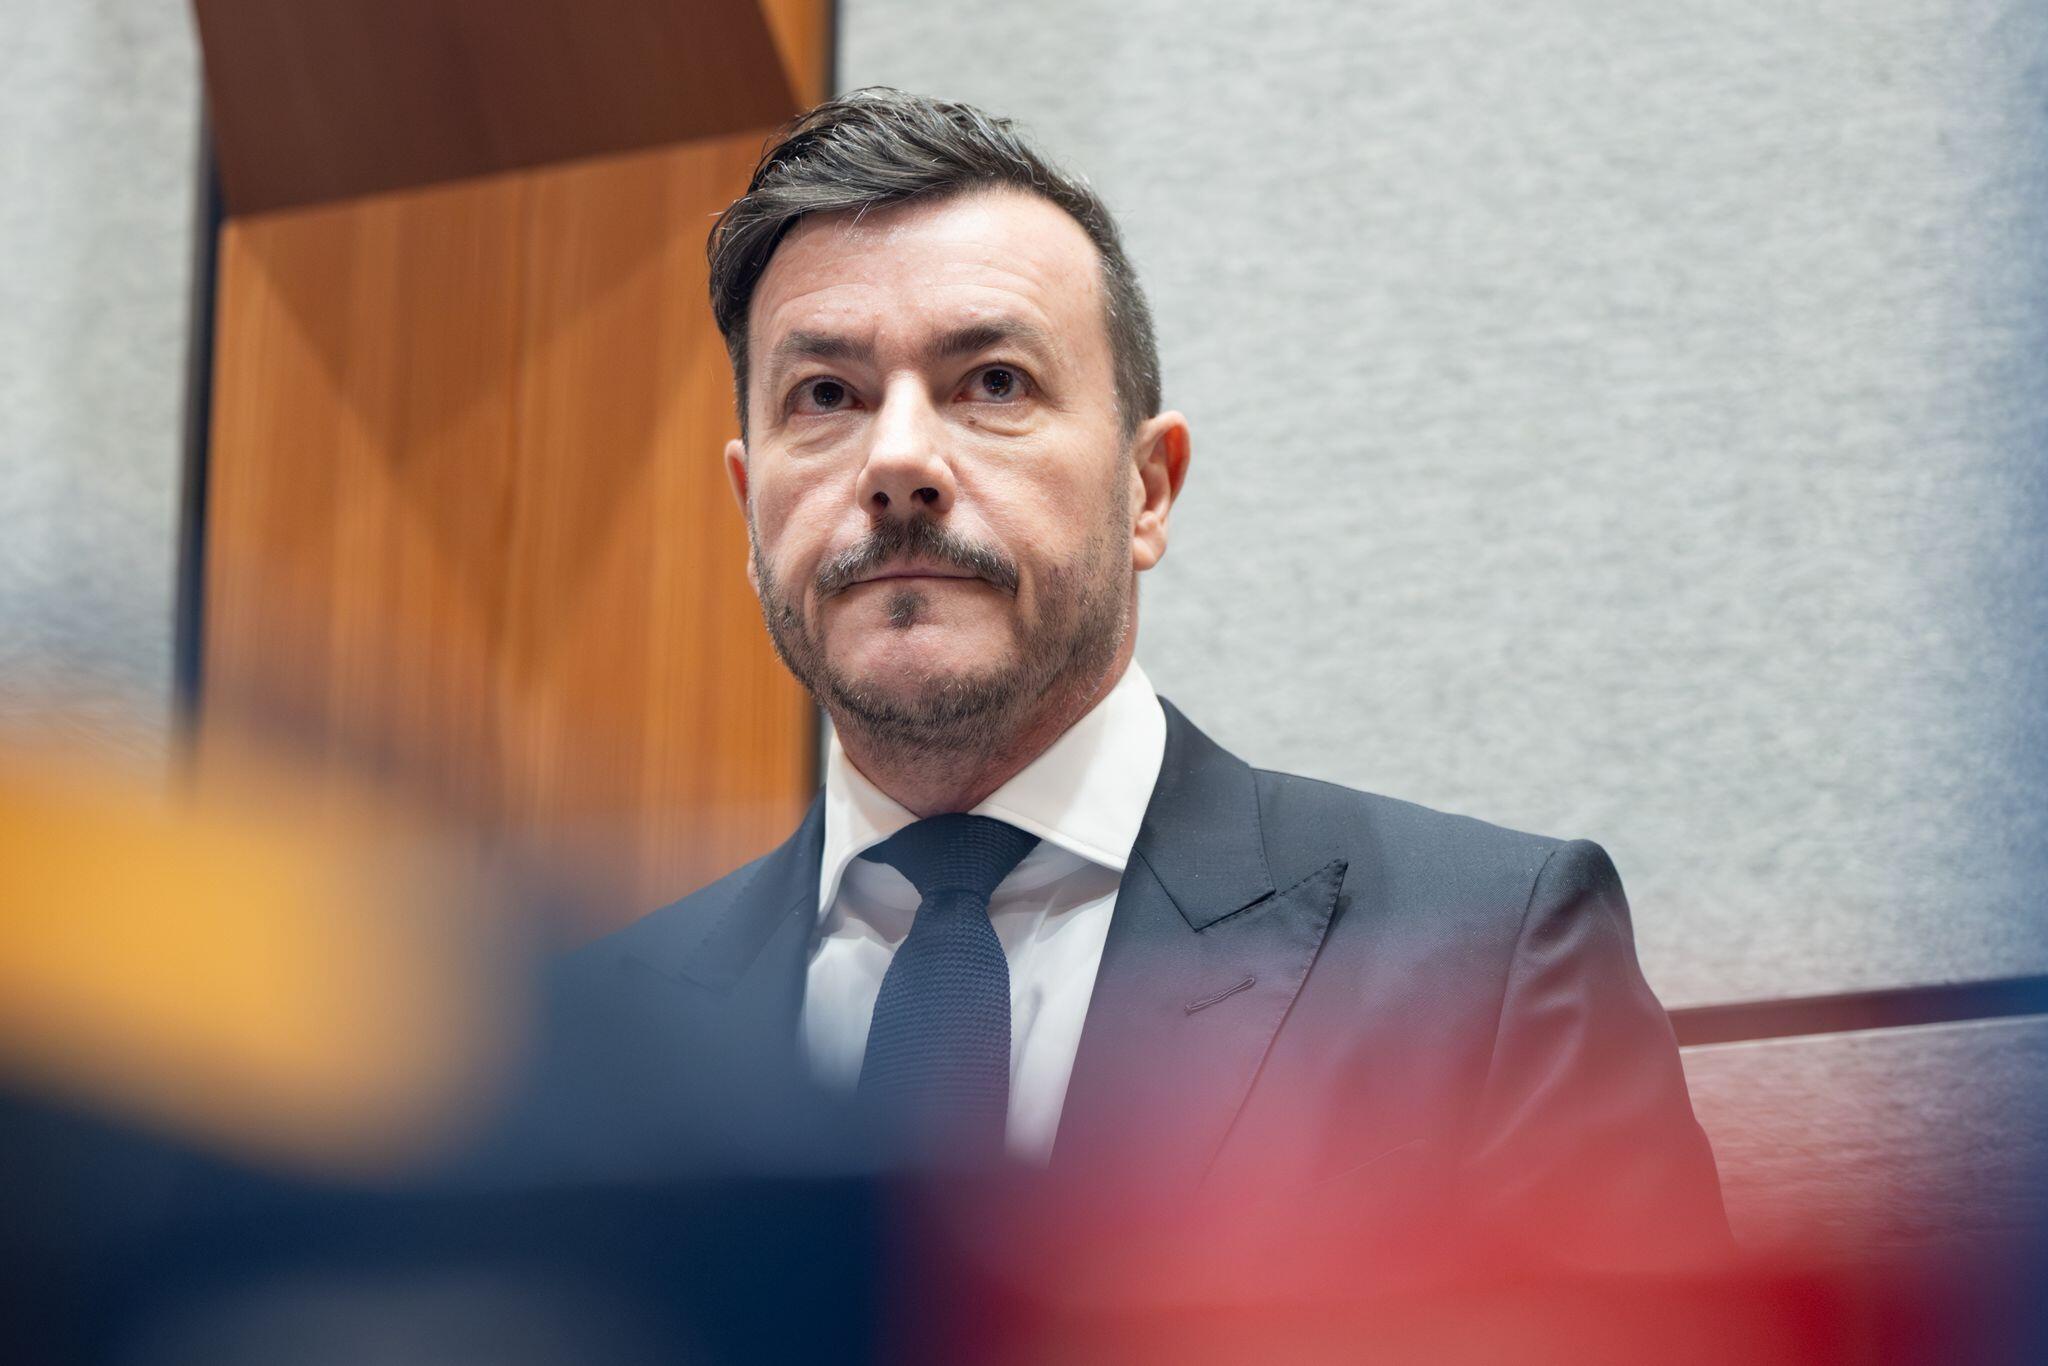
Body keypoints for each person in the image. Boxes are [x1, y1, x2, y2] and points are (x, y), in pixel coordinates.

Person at [549, 87, 1727, 1269]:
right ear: (748, 508)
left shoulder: (1492, 962)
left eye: (992, 382)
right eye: (825, 396)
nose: (896, 460)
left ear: (1147, 490)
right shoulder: (568, 1056)